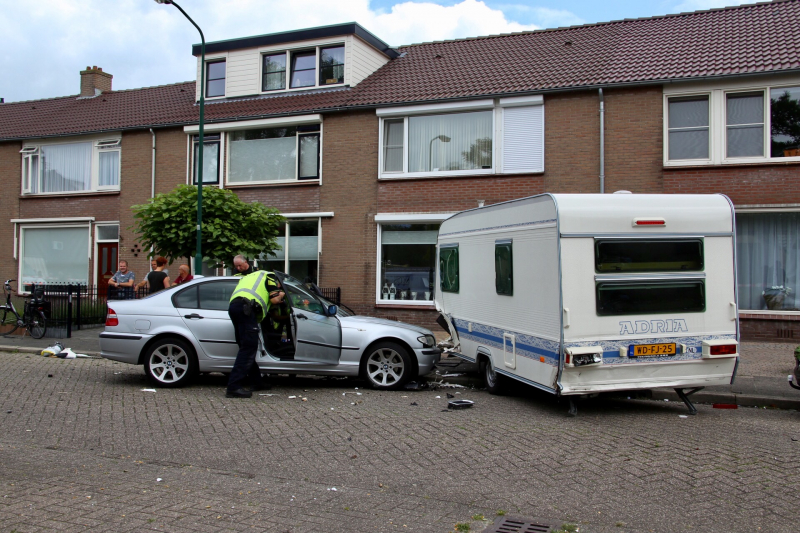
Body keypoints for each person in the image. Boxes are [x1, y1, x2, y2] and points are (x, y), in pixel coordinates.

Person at [226, 270, 285, 398]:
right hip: (246, 309)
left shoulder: (250, 277)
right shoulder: (269, 276)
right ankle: (233, 387)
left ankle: (256, 382)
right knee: (248, 347)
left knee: (246, 345)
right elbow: (275, 300)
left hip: (235, 307)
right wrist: (282, 294)